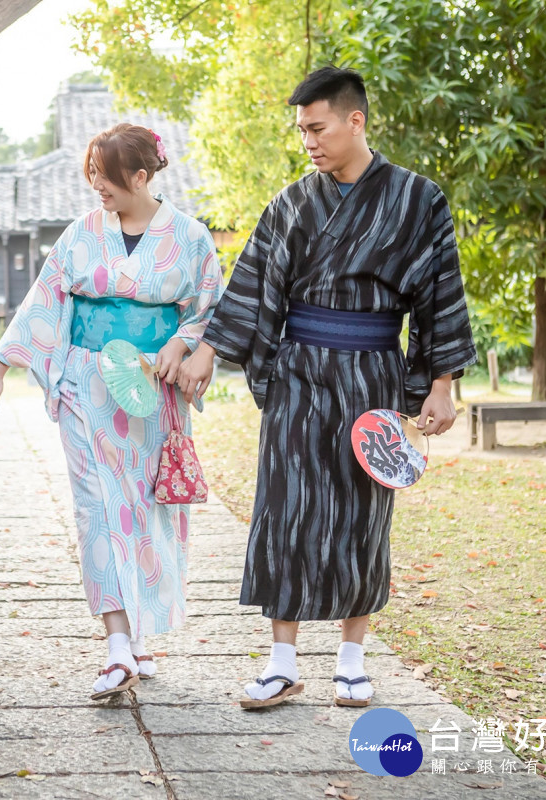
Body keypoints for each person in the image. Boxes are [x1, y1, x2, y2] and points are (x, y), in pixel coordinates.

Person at [178, 66, 476, 709]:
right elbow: (251, 285)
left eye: (317, 127)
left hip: (374, 374)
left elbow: (440, 296)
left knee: (362, 514)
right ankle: (282, 660)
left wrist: (442, 384)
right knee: (283, 509)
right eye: (301, 131)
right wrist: (207, 350)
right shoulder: (292, 203)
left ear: (354, 120)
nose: (308, 141)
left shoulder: (418, 200)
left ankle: (352, 659)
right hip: (298, 372)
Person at [0, 124, 223, 700]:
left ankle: (139, 635)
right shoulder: (81, 234)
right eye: (92, 179)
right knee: (96, 509)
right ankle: (116, 645)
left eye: (106, 180)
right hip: (86, 384)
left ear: (141, 177)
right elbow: (44, 299)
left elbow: (210, 306)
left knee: (149, 507)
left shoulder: (189, 237)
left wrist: (180, 345)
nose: (97, 190)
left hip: (152, 386)